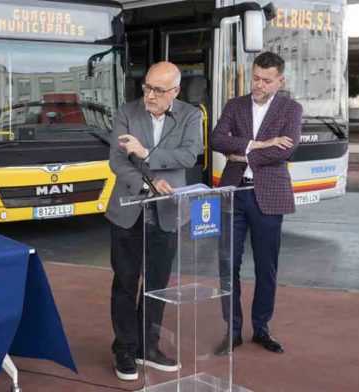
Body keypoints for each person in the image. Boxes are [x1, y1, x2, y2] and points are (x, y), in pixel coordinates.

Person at [106, 61, 203, 381]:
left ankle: (148, 346)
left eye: (158, 91)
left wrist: (146, 152)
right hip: (128, 210)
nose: (149, 95)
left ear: (175, 91)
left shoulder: (190, 115)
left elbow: (190, 155)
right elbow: (117, 161)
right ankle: (124, 347)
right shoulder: (127, 112)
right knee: (125, 281)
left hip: (168, 211)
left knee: (158, 285)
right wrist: (147, 184)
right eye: (146, 87)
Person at [211, 52, 302, 354]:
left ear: (280, 80)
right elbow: (216, 140)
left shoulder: (291, 109)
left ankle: (261, 329)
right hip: (233, 193)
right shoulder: (234, 105)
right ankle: (232, 330)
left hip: (270, 196)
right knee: (228, 264)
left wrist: (244, 154)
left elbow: (285, 151)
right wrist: (259, 143)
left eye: (266, 80)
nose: (258, 85)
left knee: (267, 267)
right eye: (255, 78)